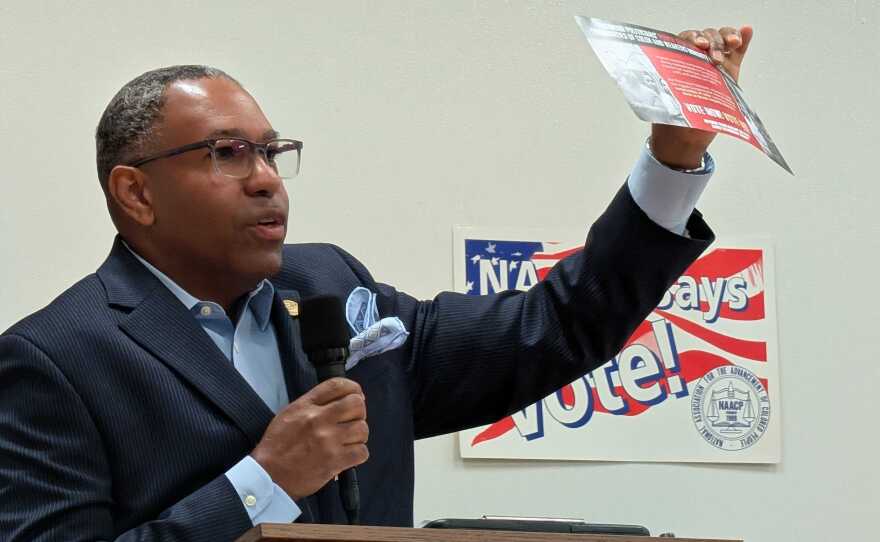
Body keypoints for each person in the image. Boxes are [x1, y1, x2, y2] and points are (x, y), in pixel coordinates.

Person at [0, 26, 751, 542]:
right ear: (136, 193)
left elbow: (552, 328)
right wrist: (261, 482)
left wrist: (672, 158)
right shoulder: (55, 360)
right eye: (227, 153)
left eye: (272, 151)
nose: (266, 181)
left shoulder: (329, 287)